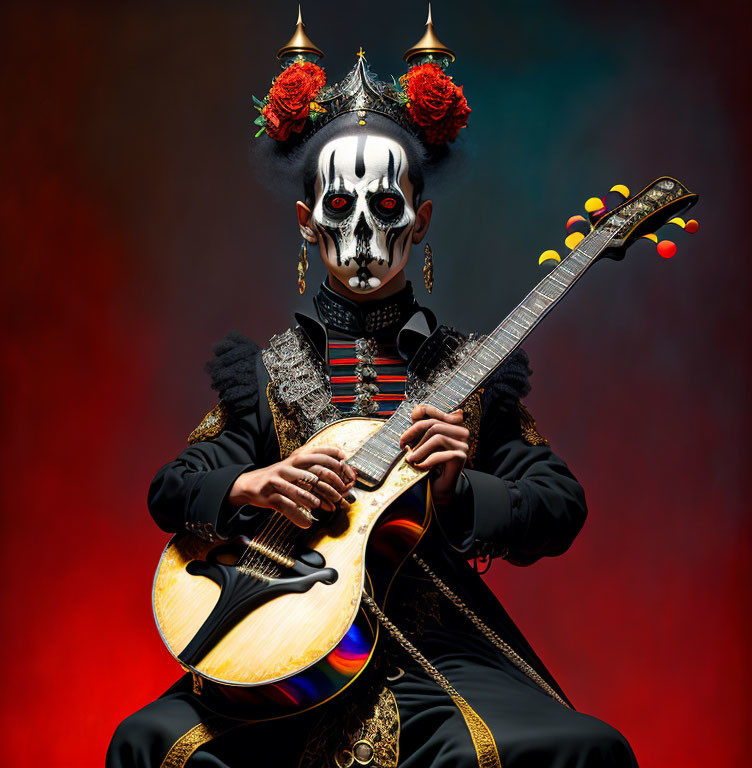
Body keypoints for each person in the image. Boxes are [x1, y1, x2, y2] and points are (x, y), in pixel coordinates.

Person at [107, 11, 637, 768]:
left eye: (385, 209)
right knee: (153, 742)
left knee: (571, 751)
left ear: (419, 222)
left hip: (435, 654)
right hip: (281, 644)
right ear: (307, 224)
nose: (361, 234)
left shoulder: (471, 369)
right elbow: (173, 488)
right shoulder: (265, 373)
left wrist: (458, 490)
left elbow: (559, 504)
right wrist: (254, 484)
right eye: (339, 209)